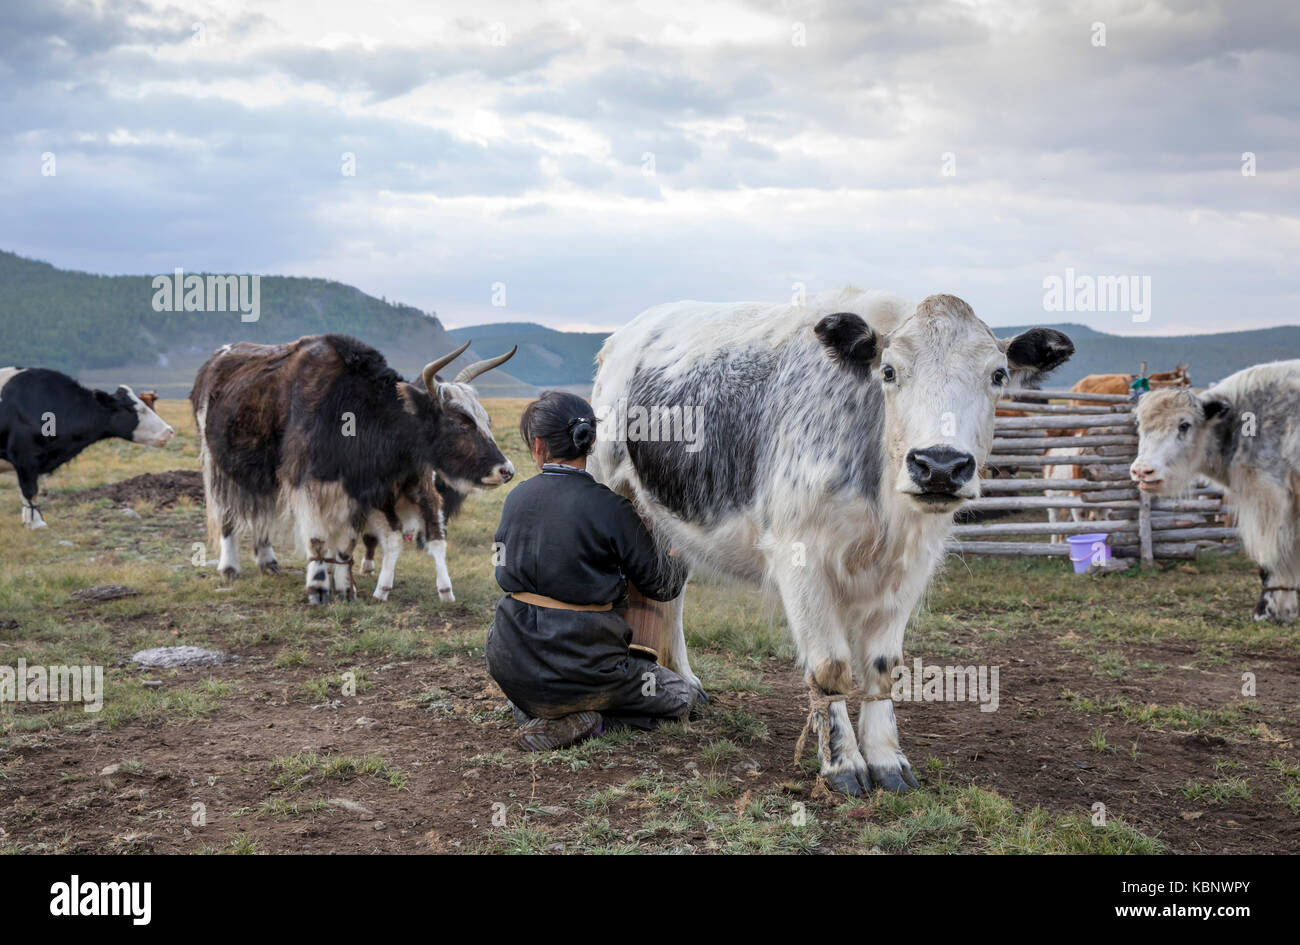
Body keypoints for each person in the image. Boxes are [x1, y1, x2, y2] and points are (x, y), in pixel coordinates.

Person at [485, 391, 698, 751]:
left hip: (512, 662)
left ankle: (542, 715)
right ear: (590, 443)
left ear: (538, 447)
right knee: (680, 695)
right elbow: (661, 585)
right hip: (588, 670)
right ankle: (595, 719)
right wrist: (677, 552)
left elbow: (502, 571)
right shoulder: (612, 508)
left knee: (528, 696)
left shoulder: (515, 498)